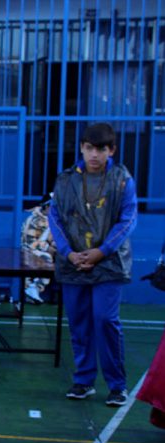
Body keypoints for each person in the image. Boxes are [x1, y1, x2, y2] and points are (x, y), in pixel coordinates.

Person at [49, 122, 138, 407]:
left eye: (101, 149)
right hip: (73, 262)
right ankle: (84, 380)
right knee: (79, 323)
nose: (94, 155)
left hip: (108, 264)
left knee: (105, 320)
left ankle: (117, 385)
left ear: (111, 150)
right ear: (82, 149)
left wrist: (102, 251)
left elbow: (128, 220)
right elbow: (55, 218)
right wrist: (69, 253)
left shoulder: (122, 180)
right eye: (89, 148)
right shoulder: (65, 181)